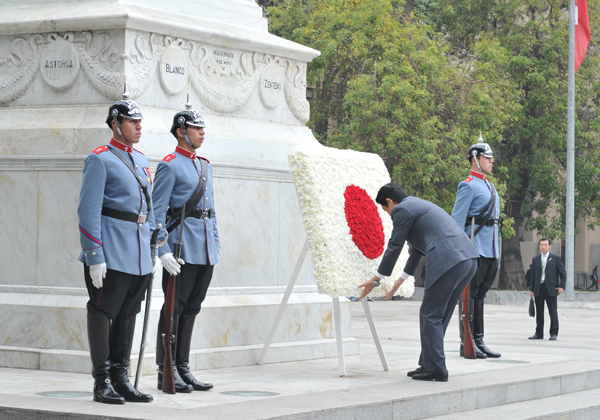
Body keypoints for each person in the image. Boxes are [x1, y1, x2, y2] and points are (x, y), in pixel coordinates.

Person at [78, 89, 156, 404]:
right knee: (102, 310)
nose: (139, 127)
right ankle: (102, 381)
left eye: (140, 121)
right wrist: (94, 255)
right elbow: (87, 210)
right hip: (111, 251)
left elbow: (147, 206)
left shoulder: (141, 159)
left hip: (138, 254)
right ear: (115, 124)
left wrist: (156, 240)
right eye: (132, 121)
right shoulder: (100, 159)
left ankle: (121, 377)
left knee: (127, 314)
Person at [359, 183, 479, 382]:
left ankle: (436, 369)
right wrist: (400, 280)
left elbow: (395, 245)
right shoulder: (417, 205)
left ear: (389, 202)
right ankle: (428, 364)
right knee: (440, 315)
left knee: (430, 313)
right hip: (468, 259)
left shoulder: (401, 210)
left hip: (448, 259)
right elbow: (416, 251)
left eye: (385, 209)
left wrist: (376, 279)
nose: (388, 214)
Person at [152, 97, 220, 393]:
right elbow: (156, 214)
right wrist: (163, 251)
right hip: (180, 249)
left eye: (203, 128)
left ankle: (183, 366)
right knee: (173, 309)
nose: (202, 133)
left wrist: (214, 245)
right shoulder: (169, 165)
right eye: (196, 128)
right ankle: (164, 368)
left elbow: (210, 211)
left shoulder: (205, 166)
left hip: (204, 249)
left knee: (192, 308)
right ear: (181, 131)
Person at [451, 133, 501, 359]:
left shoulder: (489, 186)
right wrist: (462, 253)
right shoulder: (468, 185)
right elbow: (456, 223)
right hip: (475, 249)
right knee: (469, 298)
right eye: (487, 158)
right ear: (475, 158)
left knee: (479, 296)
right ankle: (467, 341)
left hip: (490, 249)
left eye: (491, 158)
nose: (491, 161)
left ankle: (479, 340)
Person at [528, 238, 566, 340]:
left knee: (552, 311)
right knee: (539, 311)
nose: (543, 247)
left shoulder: (555, 258)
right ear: (539, 246)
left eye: (545, 245)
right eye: (541, 245)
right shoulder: (535, 259)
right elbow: (533, 275)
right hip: (539, 288)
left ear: (549, 246)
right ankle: (539, 333)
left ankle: (553, 333)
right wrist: (531, 289)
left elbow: (563, 273)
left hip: (551, 288)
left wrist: (562, 286)